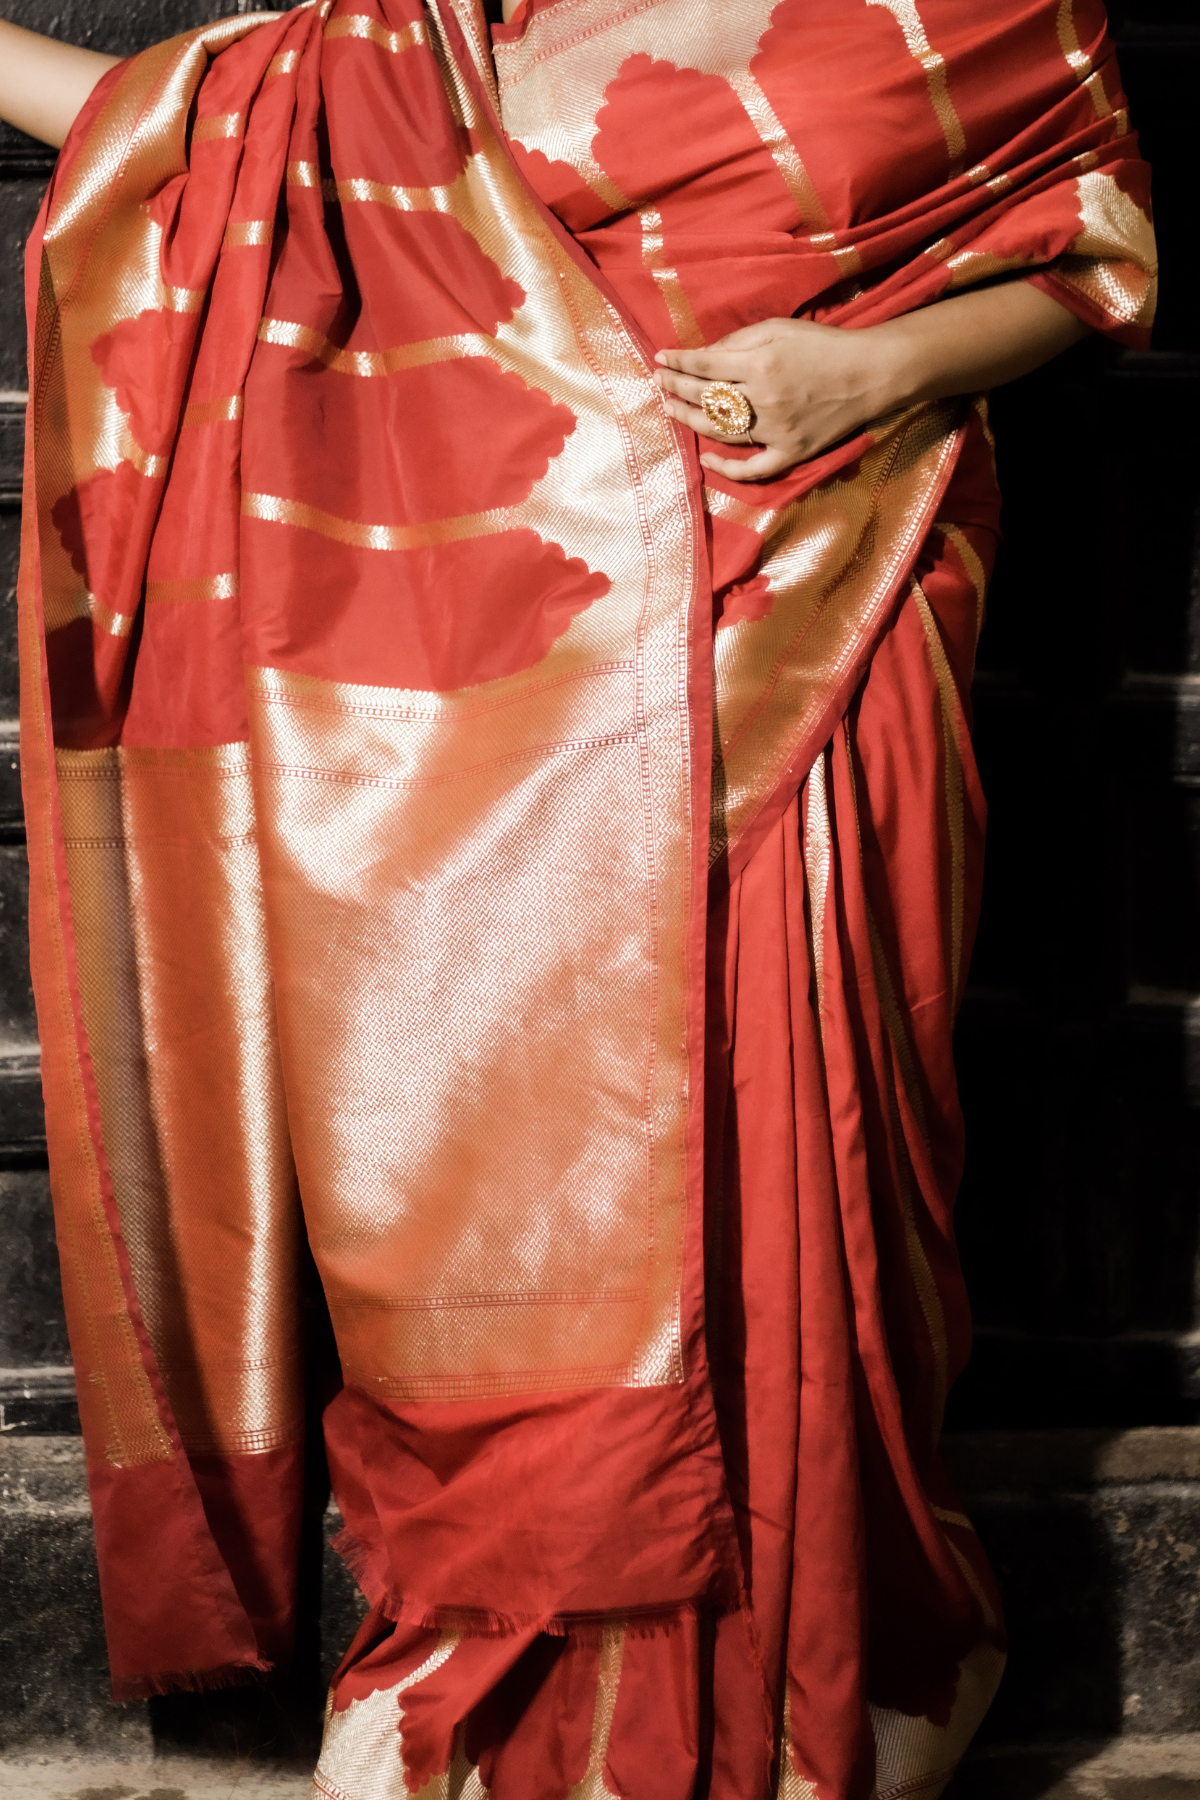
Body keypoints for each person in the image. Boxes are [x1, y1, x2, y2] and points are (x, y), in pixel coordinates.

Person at [2, 2, 1155, 1796]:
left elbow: (1086, 231)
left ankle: (818, 1669)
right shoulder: (457, 23)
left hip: (828, 620)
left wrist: (886, 370)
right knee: (499, 1159)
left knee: (814, 1135)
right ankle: (516, 1649)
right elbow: (204, 140)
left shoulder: (979, 11)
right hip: (500, 704)